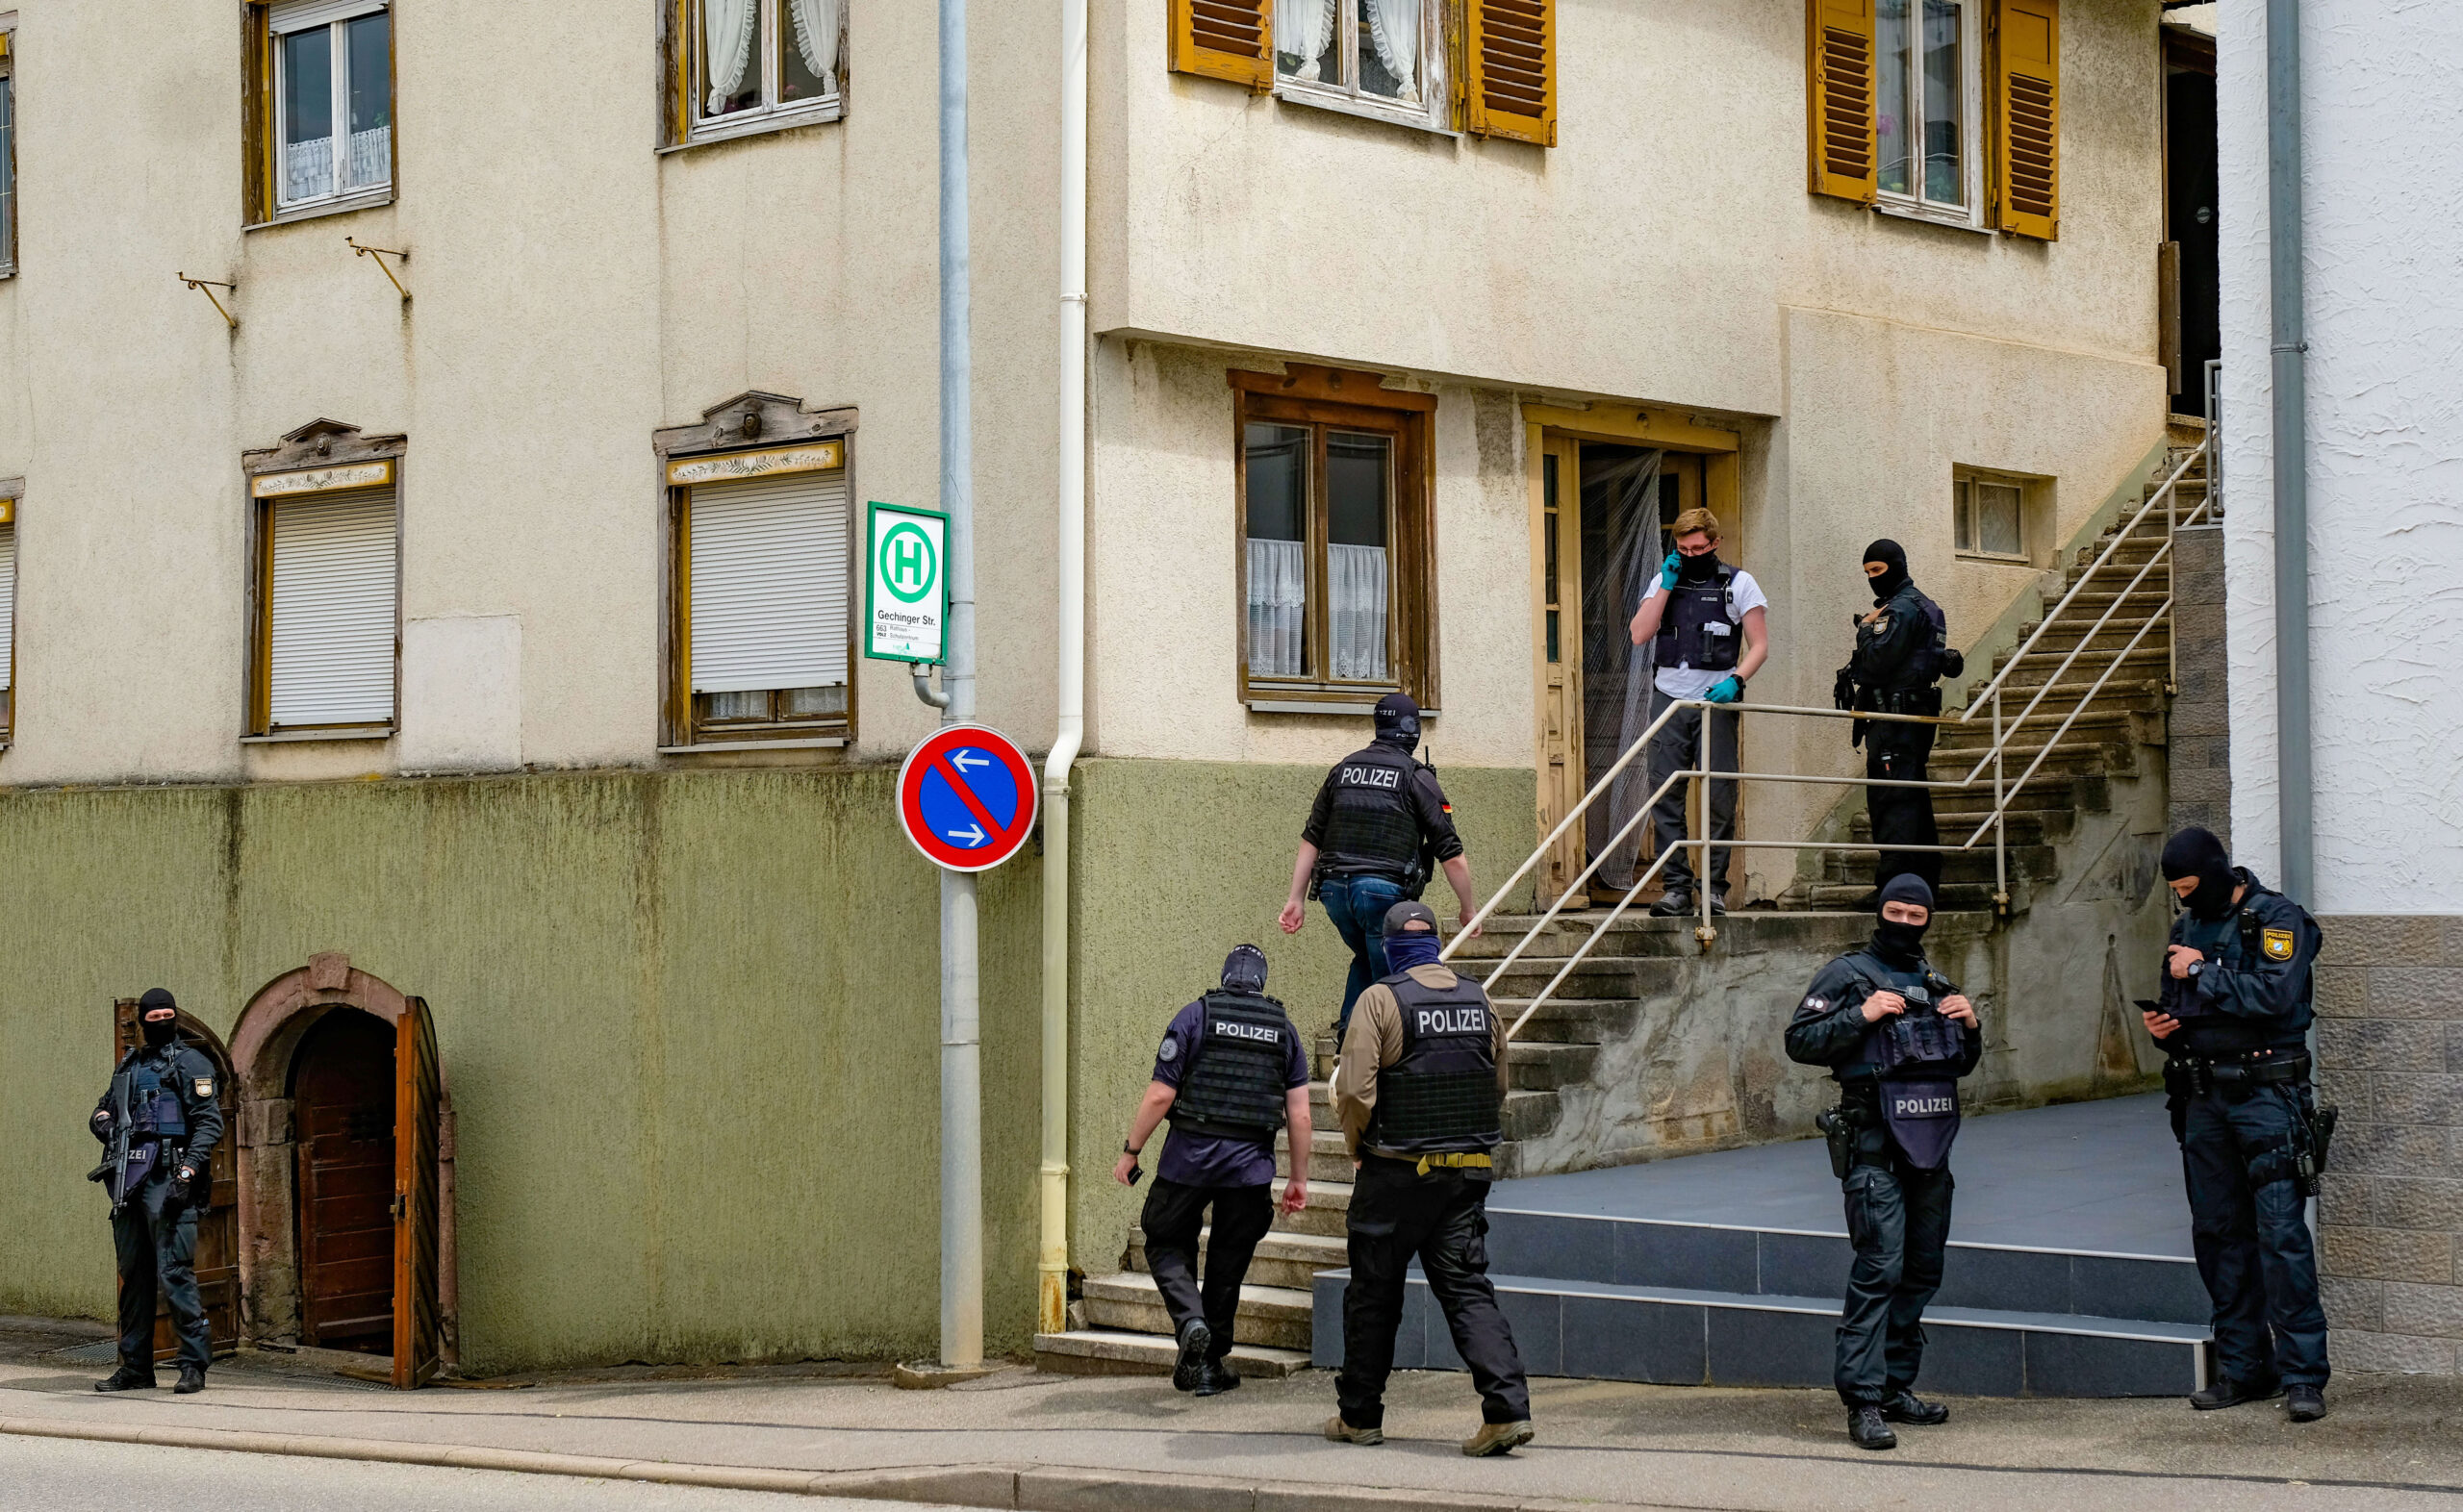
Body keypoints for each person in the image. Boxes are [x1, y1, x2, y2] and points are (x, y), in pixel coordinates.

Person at [1326, 901, 1533, 1458]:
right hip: (1465, 1173)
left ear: (1391, 948)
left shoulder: (1380, 999)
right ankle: (1506, 1411)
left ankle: (1360, 1417)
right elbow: (1497, 1083)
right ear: (1436, 943)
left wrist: (1357, 1149)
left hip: (1395, 1173)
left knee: (1373, 1292)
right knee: (1466, 1288)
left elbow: (1353, 1092)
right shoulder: (1478, 996)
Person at [2140, 826, 2330, 1423]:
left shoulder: (2277, 919)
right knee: (2219, 1234)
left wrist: (2201, 974)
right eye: (2176, 890)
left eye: (2192, 887)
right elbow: (2184, 1003)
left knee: (2281, 1236)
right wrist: (2165, 1029)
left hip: (2268, 1095)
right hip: (2204, 1096)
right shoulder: (2186, 928)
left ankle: (2303, 1377)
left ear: (2220, 872)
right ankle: (2246, 1369)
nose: (2184, 900)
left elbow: (2276, 998)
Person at [1785, 877, 1981, 1450]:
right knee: (1879, 1269)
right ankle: (1864, 1402)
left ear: (1929, 918)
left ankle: (1896, 1386)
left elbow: (1959, 1064)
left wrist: (1970, 1026)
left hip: (1929, 1147)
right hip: (1872, 1145)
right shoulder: (1847, 975)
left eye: (1915, 913)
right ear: (1879, 912)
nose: (1903, 920)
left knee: (1922, 1270)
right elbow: (1800, 1040)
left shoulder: (1933, 981)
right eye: (1894, 910)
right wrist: (1863, 1014)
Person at [1114, 945, 1311, 1396]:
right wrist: (1297, 1179)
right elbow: (1300, 1116)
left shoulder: (1195, 1015)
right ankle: (1209, 1361)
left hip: (1189, 1160)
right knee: (1227, 1262)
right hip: (1250, 1170)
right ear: (1263, 981)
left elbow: (1161, 1096)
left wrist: (1132, 1150)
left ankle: (1191, 1325)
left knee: (1163, 1236)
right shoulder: (1284, 1030)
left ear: (1225, 977)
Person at [1281, 693, 1481, 1043]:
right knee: (1392, 974)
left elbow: (1312, 837)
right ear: (1412, 730)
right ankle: (1382, 1048)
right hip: (1380, 893)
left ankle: (1349, 1038)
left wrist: (1295, 899)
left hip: (1333, 893)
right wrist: (1468, 909)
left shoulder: (1342, 770)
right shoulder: (1416, 777)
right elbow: (1451, 853)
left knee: (1369, 957)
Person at [1625, 507, 1769, 917]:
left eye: (1698, 548)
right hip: (1668, 698)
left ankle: (1713, 888)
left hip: (1715, 698)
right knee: (1665, 793)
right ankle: (1676, 888)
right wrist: (1667, 585)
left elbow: (1760, 645)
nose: (1690, 555)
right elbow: (1639, 634)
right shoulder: (1663, 579)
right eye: (1683, 549)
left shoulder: (1740, 583)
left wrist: (1736, 680)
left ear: (1715, 543)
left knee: (1719, 793)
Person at [88, 989, 224, 1396]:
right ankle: (135, 1368)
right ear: (144, 1020)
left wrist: (187, 1173)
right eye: (154, 1015)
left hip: (168, 1179)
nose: (162, 1021)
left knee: (175, 1273)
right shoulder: (129, 1065)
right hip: (128, 1179)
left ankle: (193, 1366)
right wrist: (105, 1122)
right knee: (134, 1276)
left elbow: (209, 1124)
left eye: (168, 1014)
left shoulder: (191, 1063)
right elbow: (100, 1111)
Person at [1835, 540, 1959, 899]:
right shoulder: (1927, 606)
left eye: (1878, 570)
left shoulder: (1900, 610)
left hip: (1895, 718)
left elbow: (1877, 662)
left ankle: (1895, 888)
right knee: (1912, 800)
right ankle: (1921, 885)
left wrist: (1864, 630)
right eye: (1867, 573)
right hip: (1911, 715)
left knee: (1893, 803)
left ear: (1897, 565)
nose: (1872, 579)